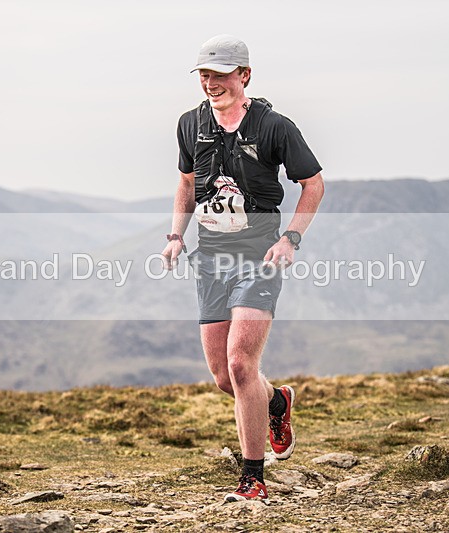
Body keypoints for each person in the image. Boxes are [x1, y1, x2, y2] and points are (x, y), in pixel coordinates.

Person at [161, 34, 324, 503]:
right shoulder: (189, 125)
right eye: (204, 75)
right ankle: (276, 401)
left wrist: (291, 238)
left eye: (220, 74)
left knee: (240, 363)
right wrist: (176, 235)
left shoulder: (276, 127)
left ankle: (253, 478)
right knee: (222, 377)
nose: (211, 83)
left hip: (260, 257)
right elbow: (187, 183)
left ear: (244, 75)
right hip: (210, 258)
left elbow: (312, 184)